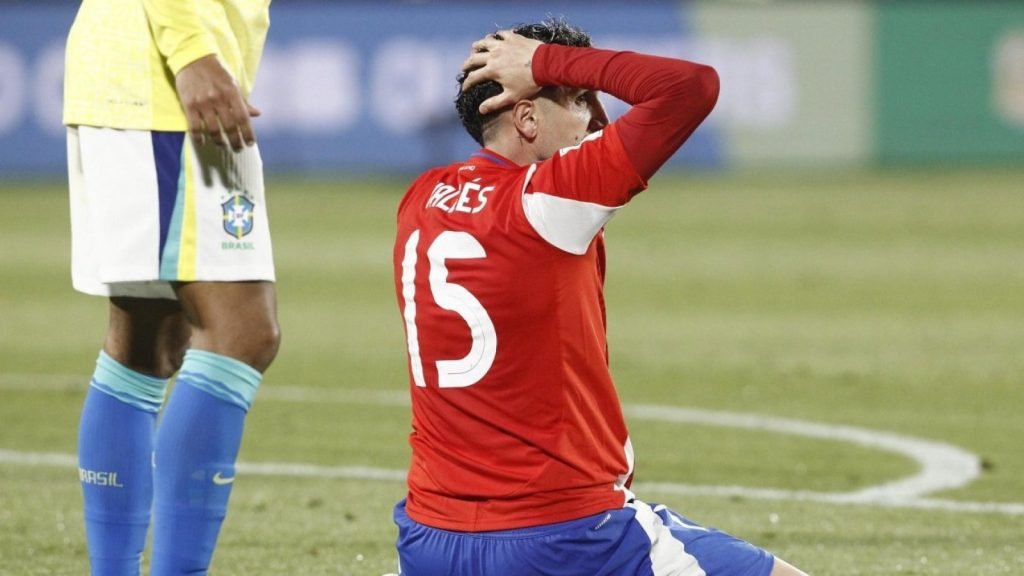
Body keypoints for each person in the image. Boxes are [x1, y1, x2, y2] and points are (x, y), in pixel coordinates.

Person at [391, 19, 808, 576]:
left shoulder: (421, 199)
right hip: (565, 537)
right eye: (579, 100)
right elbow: (692, 86)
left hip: (431, 541)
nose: (596, 117)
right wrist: (545, 62)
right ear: (527, 118)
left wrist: (562, 85)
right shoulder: (550, 200)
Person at [64, 1, 279, 574]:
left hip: (132, 79)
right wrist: (192, 54)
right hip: (161, 80)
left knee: (148, 343)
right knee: (242, 335)